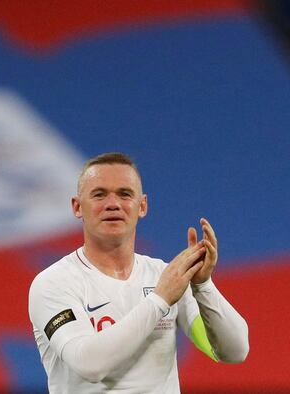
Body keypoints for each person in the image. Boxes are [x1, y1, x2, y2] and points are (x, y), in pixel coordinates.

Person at [28, 152, 248, 393]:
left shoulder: (164, 276)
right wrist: (160, 300)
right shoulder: (53, 283)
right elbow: (89, 364)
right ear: (77, 207)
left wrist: (203, 285)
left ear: (142, 206)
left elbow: (235, 351)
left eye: (125, 194)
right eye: (99, 194)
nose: (113, 203)